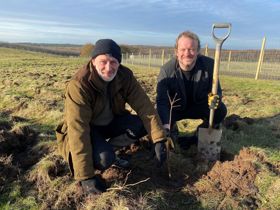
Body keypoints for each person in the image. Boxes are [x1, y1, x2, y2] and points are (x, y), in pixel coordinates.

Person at [56, 39, 168, 194]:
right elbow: (78, 130)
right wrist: (85, 177)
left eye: (113, 62)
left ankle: (111, 150)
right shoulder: (79, 85)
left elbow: (145, 107)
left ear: (119, 63)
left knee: (140, 125)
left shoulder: (125, 76)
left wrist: (159, 139)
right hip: (89, 129)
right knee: (104, 158)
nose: (108, 68)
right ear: (93, 61)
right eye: (103, 61)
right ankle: (104, 156)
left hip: (111, 122)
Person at [156, 31, 227, 149]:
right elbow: (161, 101)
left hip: (199, 105)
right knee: (158, 112)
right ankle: (172, 132)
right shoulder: (166, 71)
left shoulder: (210, 66)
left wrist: (216, 99)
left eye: (191, 49)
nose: (187, 53)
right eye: (183, 49)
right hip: (176, 108)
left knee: (221, 110)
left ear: (198, 51)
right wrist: (166, 127)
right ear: (176, 52)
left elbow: (217, 91)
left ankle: (202, 131)